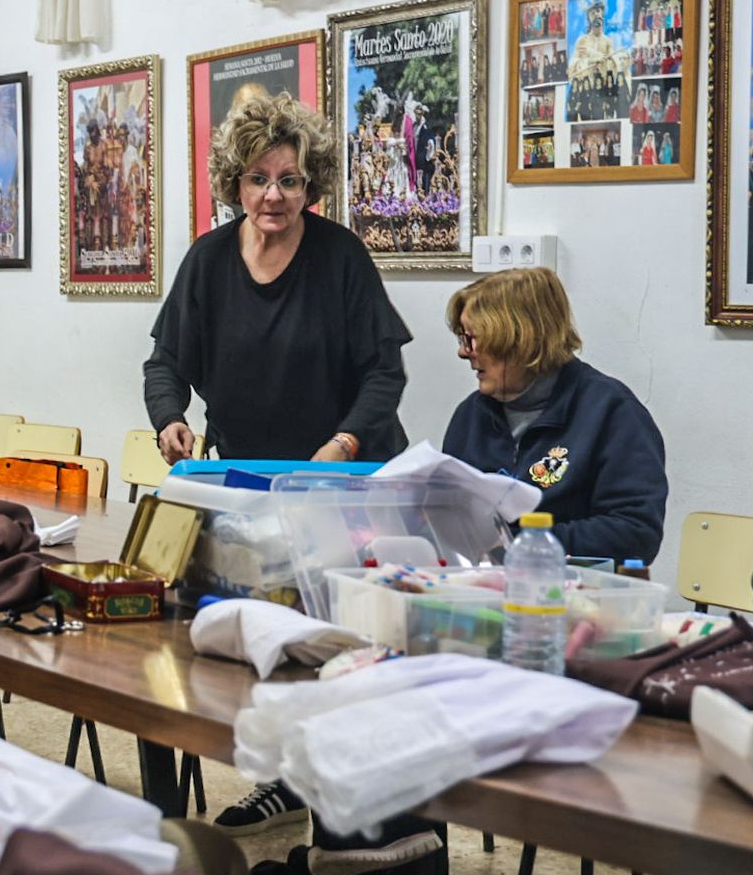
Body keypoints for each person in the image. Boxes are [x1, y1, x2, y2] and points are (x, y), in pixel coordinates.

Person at [143, 91, 412, 467]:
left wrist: (344, 443)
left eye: (289, 181)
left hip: (347, 467)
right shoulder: (208, 259)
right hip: (248, 467)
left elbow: (384, 373)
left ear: (309, 187)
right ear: (236, 184)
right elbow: (166, 364)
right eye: (258, 179)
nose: (273, 195)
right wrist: (169, 419)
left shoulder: (342, 255)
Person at [443, 267, 668, 563]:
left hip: (574, 595)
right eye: (462, 338)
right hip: (477, 592)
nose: (463, 352)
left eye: (471, 338)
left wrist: (521, 544)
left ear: (517, 339)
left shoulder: (611, 412)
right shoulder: (470, 415)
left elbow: (636, 533)